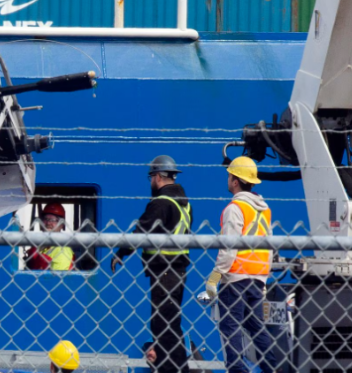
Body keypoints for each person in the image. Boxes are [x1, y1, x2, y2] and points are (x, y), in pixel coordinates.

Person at [111, 155, 193, 373]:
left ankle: (172, 370)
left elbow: (142, 231)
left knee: (162, 327)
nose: (151, 182)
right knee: (171, 326)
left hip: (164, 272)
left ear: (157, 176)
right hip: (178, 271)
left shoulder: (161, 203)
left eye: (151, 178)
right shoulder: (184, 204)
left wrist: (121, 253)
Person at [205, 156, 277, 373]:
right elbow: (269, 247)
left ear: (235, 181)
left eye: (229, 176)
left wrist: (215, 278)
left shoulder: (234, 208)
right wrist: (263, 280)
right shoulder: (264, 210)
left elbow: (229, 248)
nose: (228, 180)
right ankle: (274, 368)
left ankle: (237, 370)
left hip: (235, 278)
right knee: (257, 328)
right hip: (256, 279)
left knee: (231, 327)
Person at [26, 203, 75, 271]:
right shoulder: (41, 245)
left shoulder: (63, 250)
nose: (48, 223)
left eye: (53, 220)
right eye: (46, 219)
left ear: (61, 225)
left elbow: (58, 277)